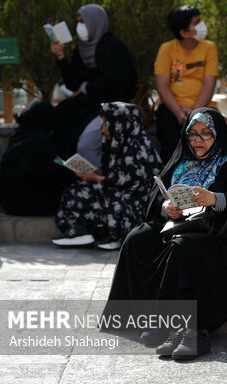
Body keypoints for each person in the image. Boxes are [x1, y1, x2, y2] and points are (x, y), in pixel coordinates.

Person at [105, 108, 227, 359]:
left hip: (216, 233)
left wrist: (213, 199)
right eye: (193, 134)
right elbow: (155, 199)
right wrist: (166, 208)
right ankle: (140, 316)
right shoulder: (180, 160)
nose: (198, 140)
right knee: (137, 238)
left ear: (218, 134)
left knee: (183, 247)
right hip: (177, 224)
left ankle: (193, 328)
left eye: (206, 133)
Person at [52, 102, 163, 250]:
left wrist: (94, 178)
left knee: (81, 192)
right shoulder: (122, 142)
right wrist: (95, 173)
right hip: (121, 195)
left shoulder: (136, 148)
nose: (104, 130)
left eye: (107, 124)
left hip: (136, 204)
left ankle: (111, 233)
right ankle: (84, 231)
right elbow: (118, 176)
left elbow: (129, 187)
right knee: (78, 189)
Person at [50, 4, 137, 165]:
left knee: (86, 145)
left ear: (96, 22)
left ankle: (97, 182)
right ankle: (74, 175)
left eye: (84, 21)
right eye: (78, 22)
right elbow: (72, 83)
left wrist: (86, 87)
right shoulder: (80, 50)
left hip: (111, 105)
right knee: (60, 118)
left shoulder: (113, 48)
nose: (80, 27)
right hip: (87, 104)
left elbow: (118, 82)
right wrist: (61, 57)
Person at [154, 5, 218, 164]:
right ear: (183, 32)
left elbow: (209, 83)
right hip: (173, 110)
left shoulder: (209, 47)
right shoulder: (167, 49)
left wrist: (195, 114)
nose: (202, 25)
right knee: (169, 140)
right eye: (196, 23)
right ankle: (170, 184)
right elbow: (162, 85)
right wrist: (178, 113)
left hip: (202, 107)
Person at [0, 100, 76, 216]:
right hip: (30, 204)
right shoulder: (42, 140)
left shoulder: (18, 137)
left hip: (9, 203)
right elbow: (58, 170)